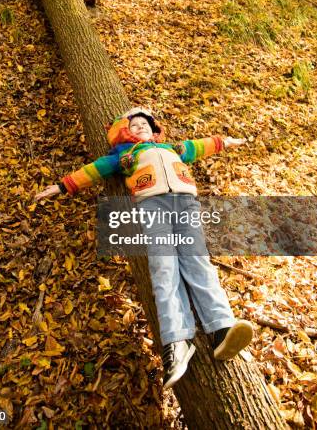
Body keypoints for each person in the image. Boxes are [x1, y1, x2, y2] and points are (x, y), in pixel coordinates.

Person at [35, 107, 253, 389]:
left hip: (186, 204)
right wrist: (63, 186)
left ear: (154, 129)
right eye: (134, 125)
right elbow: (93, 171)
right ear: (124, 131)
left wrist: (225, 142)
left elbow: (199, 146)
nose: (140, 128)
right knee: (164, 268)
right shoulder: (124, 155)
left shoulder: (172, 147)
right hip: (153, 206)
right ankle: (176, 341)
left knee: (199, 263)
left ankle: (221, 328)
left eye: (145, 124)